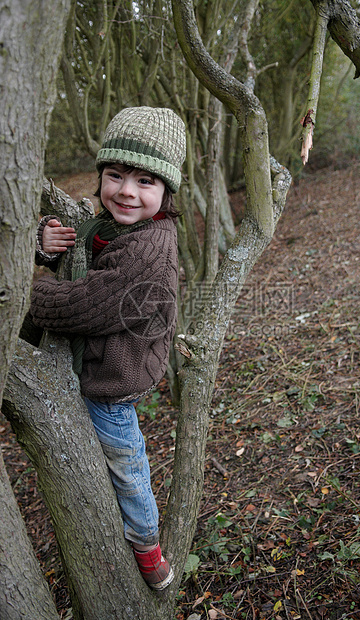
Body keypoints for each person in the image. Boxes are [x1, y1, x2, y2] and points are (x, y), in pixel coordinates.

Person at [30, 107, 186, 590]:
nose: (126, 191)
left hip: (113, 381)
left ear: (165, 193)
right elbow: (80, 251)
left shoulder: (151, 249)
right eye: (115, 175)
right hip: (93, 362)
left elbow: (87, 304)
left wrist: (22, 293)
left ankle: (146, 543)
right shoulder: (111, 224)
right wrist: (43, 246)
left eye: (145, 181)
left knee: (125, 459)